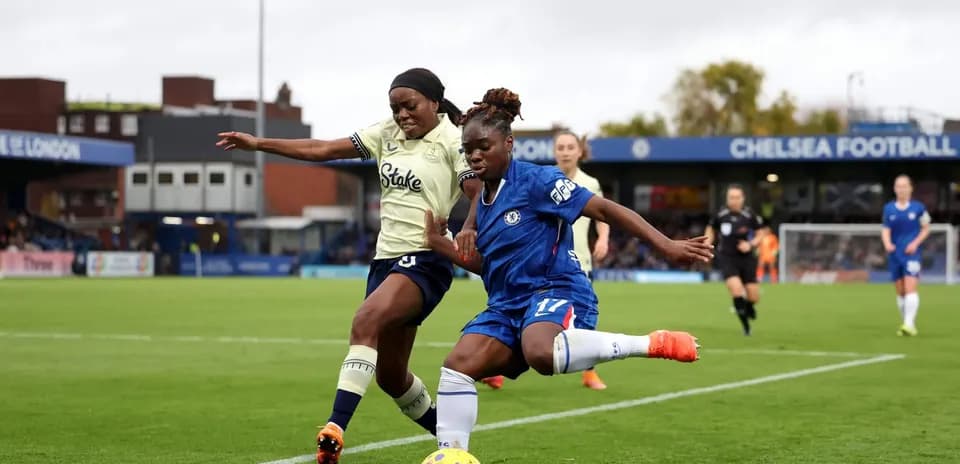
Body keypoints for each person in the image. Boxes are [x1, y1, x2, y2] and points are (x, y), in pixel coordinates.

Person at [422, 88, 712, 452]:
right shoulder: (483, 201)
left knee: (541, 352)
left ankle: (650, 342)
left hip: (555, 289)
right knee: (457, 365)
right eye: (469, 149)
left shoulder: (537, 181)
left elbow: (604, 209)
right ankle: (452, 457)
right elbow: (489, 267)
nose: (475, 156)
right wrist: (441, 245)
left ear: (508, 143)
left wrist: (666, 244)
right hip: (507, 304)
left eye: (485, 146)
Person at [216, 68, 481, 464]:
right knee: (391, 376)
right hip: (384, 261)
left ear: (434, 103)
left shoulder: (450, 140)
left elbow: (476, 188)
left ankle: (335, 429)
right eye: (395, 108)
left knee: (365, 321)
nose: (402, 115)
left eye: (409, 106)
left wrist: (470, 228)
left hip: (426, 259)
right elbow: (320, 149)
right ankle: (451, 441)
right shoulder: (384, 134)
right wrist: (258, 144)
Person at [479, 130, 611, 391]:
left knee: (582, 319)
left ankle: (589, 372)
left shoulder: (590, 182)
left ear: (579, 151)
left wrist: (603, 239)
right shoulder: (543, 178)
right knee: (518, 313)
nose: (564, 152)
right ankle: (498, 371)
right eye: (560, 147)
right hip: (542, 262)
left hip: (579, 260)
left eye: (569, 147)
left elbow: (601, 213)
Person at [704, 184, 768, 336]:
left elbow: (760, 234)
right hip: (727, 257)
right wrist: (707, 243)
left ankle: (749, 306)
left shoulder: (749, 215)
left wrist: (750, 244)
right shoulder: (720, 214)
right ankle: (746, 326)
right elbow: (710, 228)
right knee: (737, 290)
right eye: (731, 197)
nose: (734, 201)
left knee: (753, 296)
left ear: (743, 198)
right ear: (727, 198)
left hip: (746, 259)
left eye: (737, 197)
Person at [881, 174, 930, 337]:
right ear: (894, 189)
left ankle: (909, 324)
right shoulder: (888, 208)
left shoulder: (918, 208)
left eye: (904, 186)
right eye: (898, 186)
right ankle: (907, 323)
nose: (901, 189)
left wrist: (915, 243)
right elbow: (886, 229)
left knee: (910, 288)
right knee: (900, 291)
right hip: (895, 254)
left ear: (910, 188)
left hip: (911, 254)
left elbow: (926, 228)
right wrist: (887, 243)